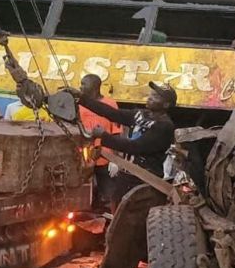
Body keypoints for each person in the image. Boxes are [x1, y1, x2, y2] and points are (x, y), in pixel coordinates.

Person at [74, 81, 176, 208]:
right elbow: (111, 113)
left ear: (166, 104)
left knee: (134, 215)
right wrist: (81, 98)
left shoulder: (164, 126)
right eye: (150, 94)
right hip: (127, 176)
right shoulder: (141, 115)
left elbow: (136, 147)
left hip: (145, 180)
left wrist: (104, 136)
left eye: (155, 96)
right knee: (117, 207)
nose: (150, 97)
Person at [78, 74, 121, 210]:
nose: (80, 87)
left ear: (95, 87)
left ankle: (109, 219)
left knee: (108, 195)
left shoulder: (110, 104)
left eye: (84, 84)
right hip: (84, 159)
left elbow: (116, 132)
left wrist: (115, 160)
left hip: (105, 158)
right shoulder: (79, 105)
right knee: (84, 196)